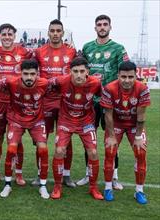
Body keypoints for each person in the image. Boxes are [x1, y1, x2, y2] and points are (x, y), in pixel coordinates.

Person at [78, 14, 129, 188]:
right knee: (88, 138)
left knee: (111, 137)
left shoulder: (118, 48)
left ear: (110, 27)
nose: (102, 27)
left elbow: (126, 71)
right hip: (90, 101)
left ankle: (114, 176)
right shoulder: (87, 47)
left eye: (105, 24)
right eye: (99, 24)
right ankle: (88, 173)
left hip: (110, 102)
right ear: (95, 28)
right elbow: (78, 68)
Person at [0, 23, 33, 185]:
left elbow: (38, 57)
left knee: (15, 140)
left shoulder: (24, 52)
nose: (7, 37)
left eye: (10, 34)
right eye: (4, 34)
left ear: (15, 36)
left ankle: (18, 173)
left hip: (16, 102)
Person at [50, 57, 103, 200]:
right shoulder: (61, 81)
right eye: (75, 71)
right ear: (70, 72)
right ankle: (57, 186)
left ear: (87, 71)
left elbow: (104, 97)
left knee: (92, 152)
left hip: (86, 121)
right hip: (65, 121)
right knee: (60, 150)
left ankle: (93, 187)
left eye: (82, 71)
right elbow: (46, 86)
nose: (78, 75)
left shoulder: (96, 83)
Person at [33, 19, 77, 188]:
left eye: (59, 30)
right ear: (48, 32)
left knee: (67, 140)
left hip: (66, 101)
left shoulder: (72, 52)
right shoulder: (39, 52)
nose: (56, 33)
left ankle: (66, 174)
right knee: (41, 138)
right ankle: (39, 173)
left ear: (63, 33)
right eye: (53, 30)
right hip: (45, 100)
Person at [101, 61, 150, 204]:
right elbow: (108, 115)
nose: (127, 80)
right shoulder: (109, 88)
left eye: (130, 77)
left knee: (141, 152)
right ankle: (108, 188)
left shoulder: (142, 88)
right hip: (116, 124)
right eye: (123, 77)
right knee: (110, 151)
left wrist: (139, 136)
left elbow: (141, 117)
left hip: (134, 125)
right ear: (118, 75)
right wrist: (110, 135)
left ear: (136, 76)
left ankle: (139, 191)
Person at [0, 59, 50, 199]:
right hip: (16, 120)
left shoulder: (45, 84)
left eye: (32, 74)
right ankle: (7, 184)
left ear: (37, 74)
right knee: (11, 150)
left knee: (43, 149)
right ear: (20, 73)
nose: (29, 77)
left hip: (36, 121)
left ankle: (43, 186)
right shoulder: (11, 82)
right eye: (26, 74)